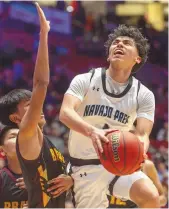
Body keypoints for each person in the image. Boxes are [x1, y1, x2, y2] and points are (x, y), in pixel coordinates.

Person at [59, 25, 160, 208]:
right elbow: (65, 113)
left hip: (119, 162)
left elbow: (142, 134)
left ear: (137, 58)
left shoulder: (143, 94)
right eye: (116, 42)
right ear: (108, 55)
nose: (119, 44)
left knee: (151, 198)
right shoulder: (86, 79)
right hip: (85, 166)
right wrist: (91, 131)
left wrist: (140, 151)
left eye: (127, 43)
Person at [0, 3, 73, 208]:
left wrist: (70, 179)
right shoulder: (26, 133)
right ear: (16, 118)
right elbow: (41, 83)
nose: (38, 107)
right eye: (29, 105)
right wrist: (44, 33)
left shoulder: (46, 141)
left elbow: (56, 177)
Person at [0, 126, 28, 208]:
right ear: (2, 150)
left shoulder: (42, 176)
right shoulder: (2, 177)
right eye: (13, 136)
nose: (20, 138)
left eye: (22, 135)